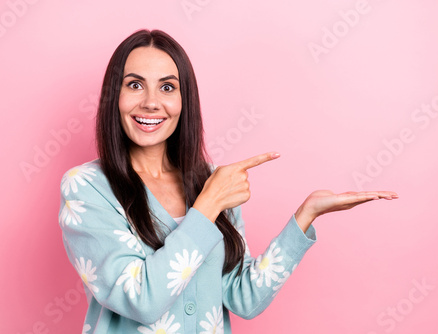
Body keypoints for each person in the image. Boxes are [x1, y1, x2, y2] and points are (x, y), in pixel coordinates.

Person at [58, 29, 398, 334]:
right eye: (134, 85)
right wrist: (208, 206)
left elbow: (243, 296)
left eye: (167, 87)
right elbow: (141, 300)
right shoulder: (86, 187)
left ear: (184, 99)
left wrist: (305, 217)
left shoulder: (210, 179)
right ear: (112, 98)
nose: (151, 102)